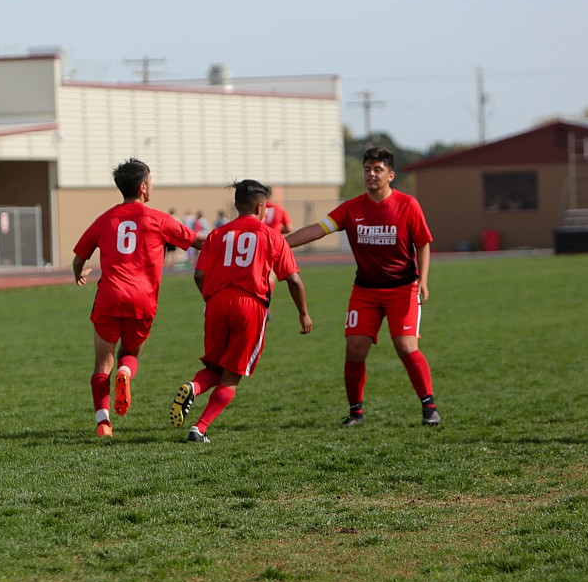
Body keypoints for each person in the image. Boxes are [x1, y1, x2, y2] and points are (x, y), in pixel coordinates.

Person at [285, 146, 440, 427]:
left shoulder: (408, 205)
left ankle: (429, 407)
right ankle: (355, 412)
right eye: (367, 169)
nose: (371, 174)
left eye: (377, 169)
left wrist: (423, 281)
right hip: (365, 290)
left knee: (406, 347)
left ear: (390, 175)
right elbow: (316, 230)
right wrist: (279, 243)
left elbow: (423, 243)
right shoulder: (351, 207)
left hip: (402, 288)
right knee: (355, 349)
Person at [169, 179, 312, 442]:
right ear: (261, 207)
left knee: (214, 366)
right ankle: (199, 428)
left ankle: (193, 386)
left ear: (236, 205)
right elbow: (293, 279)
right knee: (233, 374)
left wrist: (210, 299)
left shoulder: (216, 235)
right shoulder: (271, 236)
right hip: (250, 305)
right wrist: (303, 312)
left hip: (216, 303)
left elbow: (199, 274)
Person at [72, 158, 203, 438]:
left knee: (100, 364)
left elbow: (79, 256)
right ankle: (126, 373)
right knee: (129, 354)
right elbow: (198, 242)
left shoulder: (106, 218)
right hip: (142, 300)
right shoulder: (158, 219)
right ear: (143, 187)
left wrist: (78, 272)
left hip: (109, 296)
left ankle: (103, 422)